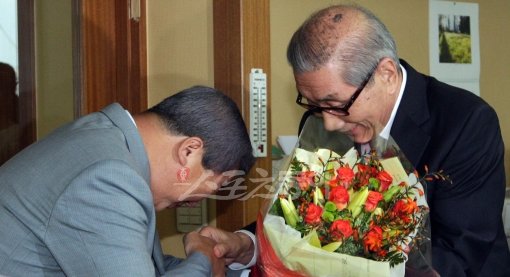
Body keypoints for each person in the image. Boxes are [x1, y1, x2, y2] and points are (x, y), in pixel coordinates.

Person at [201, 4, 510, 277]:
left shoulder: (465, 123)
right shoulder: (323, 121)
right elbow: (300, 217)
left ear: (386, 74)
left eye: (337, 105)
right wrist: (248, 244)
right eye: (314, 105)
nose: (329, 122)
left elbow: (457, 257)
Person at [0, 85, 256, 276]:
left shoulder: (107, 141)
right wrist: (201, 257)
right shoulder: (108, 176)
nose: (197, 202)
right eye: (215, 185)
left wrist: (219, 259)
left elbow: (145, 267)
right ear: (188, 151)